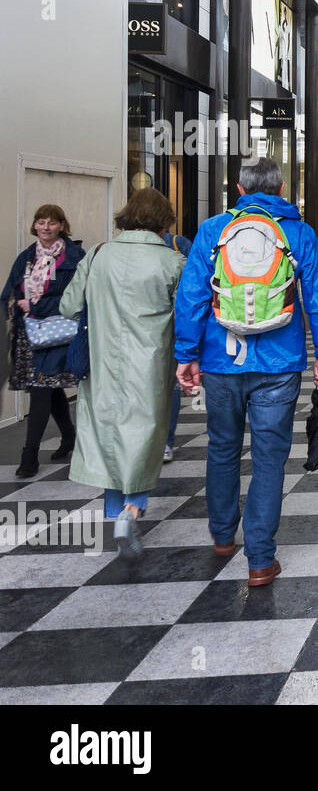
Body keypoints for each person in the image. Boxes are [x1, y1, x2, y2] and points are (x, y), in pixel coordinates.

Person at [174, 158, 318, 587]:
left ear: (238, 188)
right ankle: (260, 559)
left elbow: (191, 296)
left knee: (223, 447)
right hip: (279, 362)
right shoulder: (298, 232)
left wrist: (185, 353)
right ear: (282, 187)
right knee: (269, 457)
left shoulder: (213, 231)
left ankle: (223, 536)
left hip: (220, 360)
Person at [60, 189, 185, 559]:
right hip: (150, 364)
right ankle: (132, 509)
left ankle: (114, 514)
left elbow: (69, 306)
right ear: (164, 221)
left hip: (101, 364)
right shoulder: (172, 262)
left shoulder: (98, 254)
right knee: (145, 438)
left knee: (109, 438)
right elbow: (186, 319)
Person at [3, 204, 85, 478]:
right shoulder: (27, 256)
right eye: (41, 222)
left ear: (62, 225)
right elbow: (10, 291)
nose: (45, 227)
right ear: (35, 226)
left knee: (41, 388)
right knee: (50, 388)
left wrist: (36, 305)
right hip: (29, 333)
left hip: (58, 333)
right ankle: (70, 437)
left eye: (51, 222)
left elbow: (75, 298)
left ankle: (29, 458)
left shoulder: (74, 257)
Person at [162, 230, 193, 462]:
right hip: (171, 329)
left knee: (169, 385)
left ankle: (165, 440)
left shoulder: (178, 245)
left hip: (172, 330)